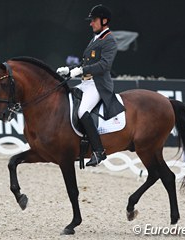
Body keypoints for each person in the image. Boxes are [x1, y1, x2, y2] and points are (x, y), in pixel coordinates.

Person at [57, 4, 125, 167]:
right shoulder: (95, 38)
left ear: (104, 21)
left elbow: (104, 65)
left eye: (93, 20)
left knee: (82, 111)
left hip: (98, 85)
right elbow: (86, 62)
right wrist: (70, 70)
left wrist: (81, 70)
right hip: (86, 83)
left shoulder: (109, 40)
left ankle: (98, 151)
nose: (91, 23)